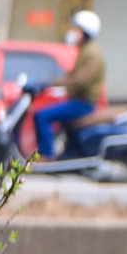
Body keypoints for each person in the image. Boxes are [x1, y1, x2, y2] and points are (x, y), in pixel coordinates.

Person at [33, 10, 105, 159]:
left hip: (83, 103)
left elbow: (79, 80)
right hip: (78, 100)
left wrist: (52, 82)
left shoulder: (91, 54)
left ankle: (46, 155)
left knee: (42, 116)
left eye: (76, 29)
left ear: (85, 32)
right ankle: (67, 152)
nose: (73, 32)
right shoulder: (85, 50)